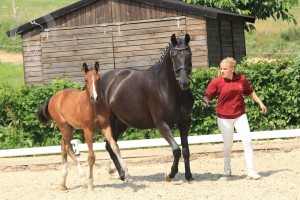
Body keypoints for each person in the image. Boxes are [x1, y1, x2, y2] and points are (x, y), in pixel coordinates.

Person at [202, 57, 267, 180]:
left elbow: (250, 91)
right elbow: (208, 95)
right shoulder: (216, 82)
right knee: (228, 145)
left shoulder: (241, 79)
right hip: (223, 117)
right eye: (221, 68)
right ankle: (227, 170)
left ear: (233, 69)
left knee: (247, 141)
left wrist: (260, 103)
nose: (222, 71)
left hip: (240, 115)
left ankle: (251, 171)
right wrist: (205, 101)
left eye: (225, 69)